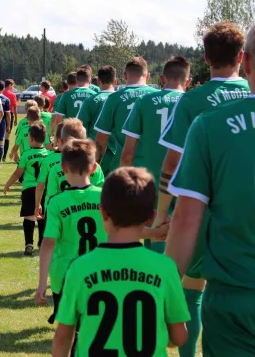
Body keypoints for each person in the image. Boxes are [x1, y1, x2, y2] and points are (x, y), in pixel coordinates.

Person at [156, 21, 250, 357]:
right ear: (241, 58)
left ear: (206, 58)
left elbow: (171, 164)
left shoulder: (196, 102)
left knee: (192, 290)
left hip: (209, 220)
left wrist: (160, 213)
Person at [52, 167, 189, 357]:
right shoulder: (165, 268)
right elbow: (180, 337)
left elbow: (63, 336)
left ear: (103, 213)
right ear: (150, 216)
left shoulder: (79, 268)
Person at [36, 139, 107, 327]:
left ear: (64, 168)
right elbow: (124, 232)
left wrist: (43, 283)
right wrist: (156, 231)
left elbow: (48, 243)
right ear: (94, 169)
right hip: (100, 274)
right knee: (95, 328)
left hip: (65, 276)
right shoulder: (105, 198)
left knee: (68, 331)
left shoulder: (56, 203)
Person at [120, 56, 189, 252]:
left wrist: (124, 187)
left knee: (156, 232)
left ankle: (157, 278)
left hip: (151, 181)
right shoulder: (192, 102)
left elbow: (127, 154)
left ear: (162, 79)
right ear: (188, 80)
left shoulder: (144, 101)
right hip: (186, 181)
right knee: (187, 234)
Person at [94, 57, 158, 173]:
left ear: (124, 75)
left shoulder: (114, 98)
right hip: (153, 169)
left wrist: (94, 167)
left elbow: (101, 140)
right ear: (148, 76)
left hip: (121, 168)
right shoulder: (159, 97)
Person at [35, 119, 105, 221]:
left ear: (62, 141)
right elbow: (102, 195)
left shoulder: (55, 169)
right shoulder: (95, 167)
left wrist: (49, 216)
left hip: (64, 217)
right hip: (90, 216)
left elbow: (51, 196)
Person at [3, 122, 49, 255]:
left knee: (29, 217)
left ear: (31, 139)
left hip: (29, 190)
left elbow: (18, 173)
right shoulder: (48, 155)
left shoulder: (26, 155)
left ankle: (29, 243)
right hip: (44, 189)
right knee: (43, 216)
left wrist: (8, 184)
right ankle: (42, 242)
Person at [77, 65, 117, 176]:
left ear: (98, 81)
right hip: (119, 152)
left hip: (96, 153)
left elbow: (80, 127)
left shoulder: (90, 101)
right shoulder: (120, 100)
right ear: (115, 81)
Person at [0, 80, 11, 167]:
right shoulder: (6, 99)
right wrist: (8, 125)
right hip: (1, 122)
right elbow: (8, 115)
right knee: (0, 142)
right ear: (4, 88)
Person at [2, 79, 18, 161]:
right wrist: (15, 119)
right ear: (10, 85)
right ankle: (4, 156)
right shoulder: (12, 95)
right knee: (7, 136)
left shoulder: (1, 92)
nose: (13, 88)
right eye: (13, 86)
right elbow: (14, 108)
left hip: (0, 114)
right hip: (9, 115)